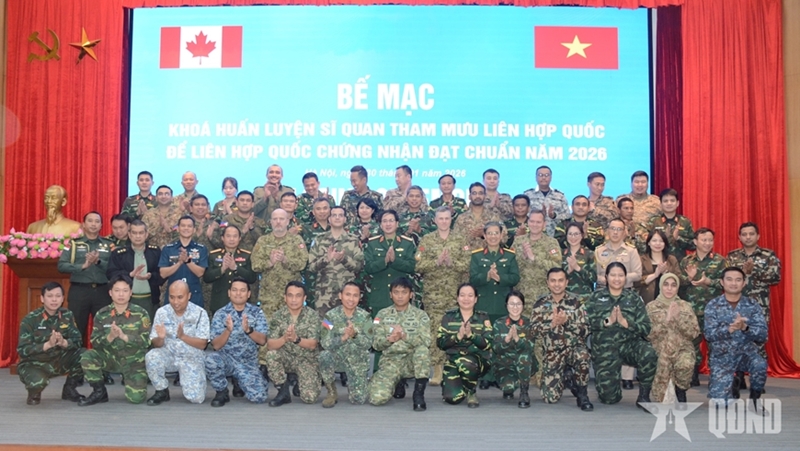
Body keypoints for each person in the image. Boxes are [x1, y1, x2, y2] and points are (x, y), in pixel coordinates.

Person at [584, 263, 657, 408]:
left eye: (620, 275)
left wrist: (626, 323)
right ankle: (611, 388)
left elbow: (646, 328)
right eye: (613, 275)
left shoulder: (634, 298)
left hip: (629, 346)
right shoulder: (595, 297)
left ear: (625, 278)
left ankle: (643, 395)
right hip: (605, 350)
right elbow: (584, 322)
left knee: (648, 353)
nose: (617, 279)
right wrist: (607, 321)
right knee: (609, 398)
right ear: (606, 277)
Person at [414, 206, 471, 386]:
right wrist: (436, 262)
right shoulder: (427, 240)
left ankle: (452, 368)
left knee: (455, 330)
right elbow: (418, 265)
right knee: (436, 331)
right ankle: (437, 369)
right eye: (441, 218)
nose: (444, 221)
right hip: (434, 295)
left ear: (451, 219)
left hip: (456, 295)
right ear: (435, 220)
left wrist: (452, 263)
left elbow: (468, 263)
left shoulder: (461, 239)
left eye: (447, 218)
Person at [78, 275, 150, 406]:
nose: (121, 294)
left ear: (131, 292)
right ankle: (99, 392)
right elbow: (95, 342)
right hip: (110, 358)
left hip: (133, 361)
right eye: (117, 290)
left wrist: (124, 337)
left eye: (125, 290)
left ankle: (132, 380)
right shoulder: (102, 314)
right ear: (110, 293)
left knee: (136, 399)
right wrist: (110, 337)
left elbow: (146, 342)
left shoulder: (141, 313)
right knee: (88, 356)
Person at [705, 267, 768, 412]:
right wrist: (729, 329)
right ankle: (732, 383)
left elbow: (763, 335)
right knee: (721, 404)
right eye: (729, 279)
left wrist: (745, 328)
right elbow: (709, 334)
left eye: (738, 280)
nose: (733, 283)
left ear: (744, 283)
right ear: (722, 282)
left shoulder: (752, 305)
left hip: (746, 353)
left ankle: (755, 399)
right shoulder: (713, 305)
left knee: (760, 365)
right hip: (722, 356)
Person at [530, 269, 593, 410]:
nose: (557, 284)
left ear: (566, 282)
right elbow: (533, 331)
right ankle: (566, 377)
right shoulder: (540, 304)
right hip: (552, 353)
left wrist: (567, 322)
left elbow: (586, 330)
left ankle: (582, 394)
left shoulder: (577, 303)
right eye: (553, 281)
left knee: (583, 356)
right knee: (549, 398)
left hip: (574, 349)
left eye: (560, 280)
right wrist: (551, 324)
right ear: (547, 283)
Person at [17, 282, 85, 405]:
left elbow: (78, 341)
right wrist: (47, 345)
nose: (54, 299)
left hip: (59, 359)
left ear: (63, 298)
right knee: (37, 383)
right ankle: (34, 392)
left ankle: (69, 389)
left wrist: (64, 342)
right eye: (50, 296)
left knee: (86, 356)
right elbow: (22, 350)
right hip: (36, 363)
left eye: (58, 296)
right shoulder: (30, 320)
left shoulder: (67, 315)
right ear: (42, 298)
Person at [368, 277, 431, 411]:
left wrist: (404, 336)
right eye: (396, 292)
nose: (400, 296)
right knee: (376, 399)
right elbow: (376, 344)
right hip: (391, 361)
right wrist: (390, 340)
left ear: (411, 294)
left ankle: (418, 394)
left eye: (404, 292)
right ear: (391, 294)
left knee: (423, 352)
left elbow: (426, 341)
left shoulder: (421, 315)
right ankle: (397, 382)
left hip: (411, 361)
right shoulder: (381, 315)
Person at [146, 281, 210, 405]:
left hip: (191, 357)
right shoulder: (162, 312)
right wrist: (161, 338)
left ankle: (188, 377)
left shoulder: (200, 313)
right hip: (169, 355)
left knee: (196, 398)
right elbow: (156, 344)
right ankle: (161, 390)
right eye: (172, 297)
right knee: (152, 356)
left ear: (189, 296)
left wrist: (183, 336)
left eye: (180, 297)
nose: (175, 302)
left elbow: (203, 344)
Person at [206, 278, 268, 407]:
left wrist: (249, 330)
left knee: (259, 397)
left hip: (247, 362)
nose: (238, 293)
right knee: (211, 360)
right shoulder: (221, 314)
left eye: (242, 290)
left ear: (248, 294)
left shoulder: (257, 312)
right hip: (227, 359)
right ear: (229, 293)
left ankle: (239, 380)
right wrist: (228, 331)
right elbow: (216, 345)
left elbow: (262, 340)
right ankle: (221, 391)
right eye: (234, 290)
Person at [726, 222, 781, 368]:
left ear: (758, 236)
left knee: (758, 339)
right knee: (736, 338)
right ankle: (738, 375)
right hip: (736, 304)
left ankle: (758, 375)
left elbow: (776, 278)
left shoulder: (768, 255)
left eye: (751, 234)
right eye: (744, 234)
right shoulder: (733, 256)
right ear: (739, 237)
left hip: (759, 305)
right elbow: (726, 279)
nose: (748, 237)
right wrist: (742, 273)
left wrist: (754, 270)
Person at [57, 211, 113, 346]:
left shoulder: (109, 245)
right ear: (83, 224)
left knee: (104, 329)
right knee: (76, 329)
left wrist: (98, 262)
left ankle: (102, 358)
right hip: (79, 291)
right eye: (90, 221)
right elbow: (61, 265)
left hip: (102, 292)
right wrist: (82, 266)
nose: (93, 224)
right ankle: (77, 358)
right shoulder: (73, 244)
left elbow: (114, 267)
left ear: (101, 225)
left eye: (97, 221)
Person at [679, 227, 726, 386]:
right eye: (704, 240)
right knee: (691, 343)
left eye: (710, 240)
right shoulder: (686, 261)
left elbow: (727, 282)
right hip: (691, 310)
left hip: (713, 311)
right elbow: (678, 283)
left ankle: (716, 376)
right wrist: (688, 278)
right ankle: (693, 374)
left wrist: (708, 282)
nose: (707, 243)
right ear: (695, 241)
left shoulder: (720, 261)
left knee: (715, 344)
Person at [264, 281, 321, 407]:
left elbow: (312, 344)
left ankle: (301, 382)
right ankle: (283, 391)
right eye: (290, 295)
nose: (294, 300)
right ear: (285, 297)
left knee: (310, 398)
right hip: (286, 357)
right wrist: (284, 339)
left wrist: (296, 339)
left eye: (298, 296)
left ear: (304, 298)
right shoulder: (277, 316)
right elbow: (270, 345)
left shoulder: (313, 316)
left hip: (306, 359)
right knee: (271, 355)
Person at [645, 273, 699, 403]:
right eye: (666, 284)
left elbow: (694, 332)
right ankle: (666, 385)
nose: (669, 288)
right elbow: (647, 334)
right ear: (660, 286)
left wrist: (678, 319)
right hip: (660, 350)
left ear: (677, 288)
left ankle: (681, 389)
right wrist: (667, 319)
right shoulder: (651, 307)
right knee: (662, 399)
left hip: (682, 348)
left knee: (685, 364)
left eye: (673, 285)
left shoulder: (685, 306)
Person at [437, 283, 492, 408]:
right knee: (452, 399)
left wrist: (471, 336)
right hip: (453, 360)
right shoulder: (449, 317)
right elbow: (440, 343)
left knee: (466, 362)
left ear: (476, 299)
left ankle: (471, 391)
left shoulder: (483, 317)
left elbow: (488, 344)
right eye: (462, 295)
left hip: (477, 360)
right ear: (457, 298)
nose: (466, 299)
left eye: (470, 295)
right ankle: (458, 384)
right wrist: (457, 337)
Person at [319, 283, 373, 407]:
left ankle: (356, 384)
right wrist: (342, 338)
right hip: (337, 357)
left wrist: (354, 335)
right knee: (324, 356)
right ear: (340, 296)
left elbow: (368, 344)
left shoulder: (365, 317)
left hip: (357, 360)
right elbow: (325, 342)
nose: (351, 299)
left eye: (355, 295)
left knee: (358, 400)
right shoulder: (329, 317)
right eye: (348, 294)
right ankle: (331, 392)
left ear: (359, 298)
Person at [250, 208, 309, 318]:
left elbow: (302, 264)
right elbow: (255, 265)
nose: (278, 222)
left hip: (292, 299)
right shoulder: (263, 241)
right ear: (271, 222)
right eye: (275, 219)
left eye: (281, 219)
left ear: (287, 221)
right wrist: (269, 263)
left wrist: (285, 260)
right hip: (269, 298)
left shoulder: (297, 240)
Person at [307, 206, 364, 316]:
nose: (337, 218)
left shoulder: (353, 240)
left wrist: (343, 259)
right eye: (334, 215)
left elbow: (359, 267)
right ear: (329, 219)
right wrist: (326, 259)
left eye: (340, 215)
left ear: (345, 219)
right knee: (325, 324)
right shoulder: (319, 239)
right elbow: (311, 267)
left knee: (346, 324)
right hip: (324, 295)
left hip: (347, 295)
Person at [106, 220, 164, 320]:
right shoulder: (119, 254)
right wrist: (129, 274)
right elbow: (111, 274)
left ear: (146, 234)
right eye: (134, 233)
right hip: (126, 301)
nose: (138, 236)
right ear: (129, 234)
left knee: (149, 328)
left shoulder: (155, 252)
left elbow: (162, 274)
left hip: (150, 300)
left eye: (141, 233)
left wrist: (150, 276)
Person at [364, 210, 417, 316]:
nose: (388, 224)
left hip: (401, 296)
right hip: (380, 296)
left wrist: (395, 261)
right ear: (380, 225)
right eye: (384, 221)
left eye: (391, 221)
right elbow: (368, 267)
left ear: (397, 223)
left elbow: (412, 267)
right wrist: (384, 261)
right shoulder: (372, 243)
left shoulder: (407, 243)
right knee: (378, 325)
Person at [470, 221, 520, 323]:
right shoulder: (477, 256)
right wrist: (487, 276)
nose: (493, 236)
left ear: (501, 235)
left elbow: (515, 278)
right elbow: (473, 279)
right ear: (484, 236)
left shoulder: (510, 255)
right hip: (483, 305)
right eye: (490, 233)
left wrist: (500, 278)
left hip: (503, 305)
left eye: (496, 233)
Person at [490, 290, 533, 408]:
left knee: (524, 356)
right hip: (504, 363)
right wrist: (507, 339)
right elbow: (495, 348)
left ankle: (524, 391)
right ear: (506, 306)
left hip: (523, 362)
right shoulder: (499, 324)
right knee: (508, 388)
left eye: (518, 304)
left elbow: (529, 348)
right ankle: (511, 383)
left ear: (523, 306)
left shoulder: (528, 324)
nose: (515, 307)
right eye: (512, 304)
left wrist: (517, 339)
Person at [203, 225, 258, 315]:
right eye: (228, 236)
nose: (231, 239)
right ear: (222, 238)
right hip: (220, 302)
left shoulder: (246, 255)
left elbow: (252, 278)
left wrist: (236, 268)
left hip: (242, 303)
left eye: (235, 236)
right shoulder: (213, 255)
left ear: (239, 238)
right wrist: (222, 269)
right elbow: (207, 278)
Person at [159, 216, 209, 308]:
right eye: (183, 226)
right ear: (178, 229)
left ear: (194, 229)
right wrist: (179, 263)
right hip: (173, 296)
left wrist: (187, 261)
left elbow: (200, 273)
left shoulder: (201, 249)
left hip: (194, 295)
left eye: (189, 226)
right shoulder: (168, 249)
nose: (186, 228)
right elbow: (163, 273)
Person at [514, 210, 562, 303]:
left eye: (538, 222)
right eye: (532, 221)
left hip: (543, 297)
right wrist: (523, 258)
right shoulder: (518, 241)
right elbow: (510, 265)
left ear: (544, 224)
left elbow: (557, 267)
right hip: (520, 296)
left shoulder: (551, 243)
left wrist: (535, 259)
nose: (534, 225)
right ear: (528, 222)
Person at [638, 189, 695, 261]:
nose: (669, 203)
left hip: (679, 263)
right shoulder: (653, 221)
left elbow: (693, 245)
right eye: (665, 201)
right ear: (661, 204)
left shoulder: (685, 222)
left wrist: (678, 238)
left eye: (672, 201)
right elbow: (645, 244)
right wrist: (663, 238)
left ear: (677, 203)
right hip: (658, 262)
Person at [523, 165, 570, 237]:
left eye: (546, 175)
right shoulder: (528, 195)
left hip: (556, 235)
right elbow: (523, 215)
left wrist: (554, 215)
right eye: (540, 175)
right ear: (536, 177)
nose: (543, 177)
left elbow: (567, 215)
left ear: (551, 177)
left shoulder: (560, 196)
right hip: (533, 235)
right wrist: (539, 215)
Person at [637, 230, 681, 305]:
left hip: (668, 302)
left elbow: (678, 280)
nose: (658, 243)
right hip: (647, 301)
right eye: (654, 240)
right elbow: (636, 282)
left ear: (665, 243)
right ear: (648, 243)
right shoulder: (641, 260)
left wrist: (666, 274)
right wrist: (655, 275)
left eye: (661, 241)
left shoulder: (671, 260)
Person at [454, 182, 500, 251]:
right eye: (474, 193)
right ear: (469, 196)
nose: (477, 196)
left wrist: (484, 234)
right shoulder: (461, 218)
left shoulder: (493, 217)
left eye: (480, 193)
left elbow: (504, 238)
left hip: (488, 255)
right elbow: (455, 240)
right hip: (467, 256)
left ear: (485, 196)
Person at [562, 222, 596, 303]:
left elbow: (594, 278)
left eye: (576, 234)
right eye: (570, 234)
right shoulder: (561, 254)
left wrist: (578, 268)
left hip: (585, 298)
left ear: (582, 235)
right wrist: (568, 271)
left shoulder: (589, 254)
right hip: (565, 298)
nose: (573, 237)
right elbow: (555, 277)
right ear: (566, 236)